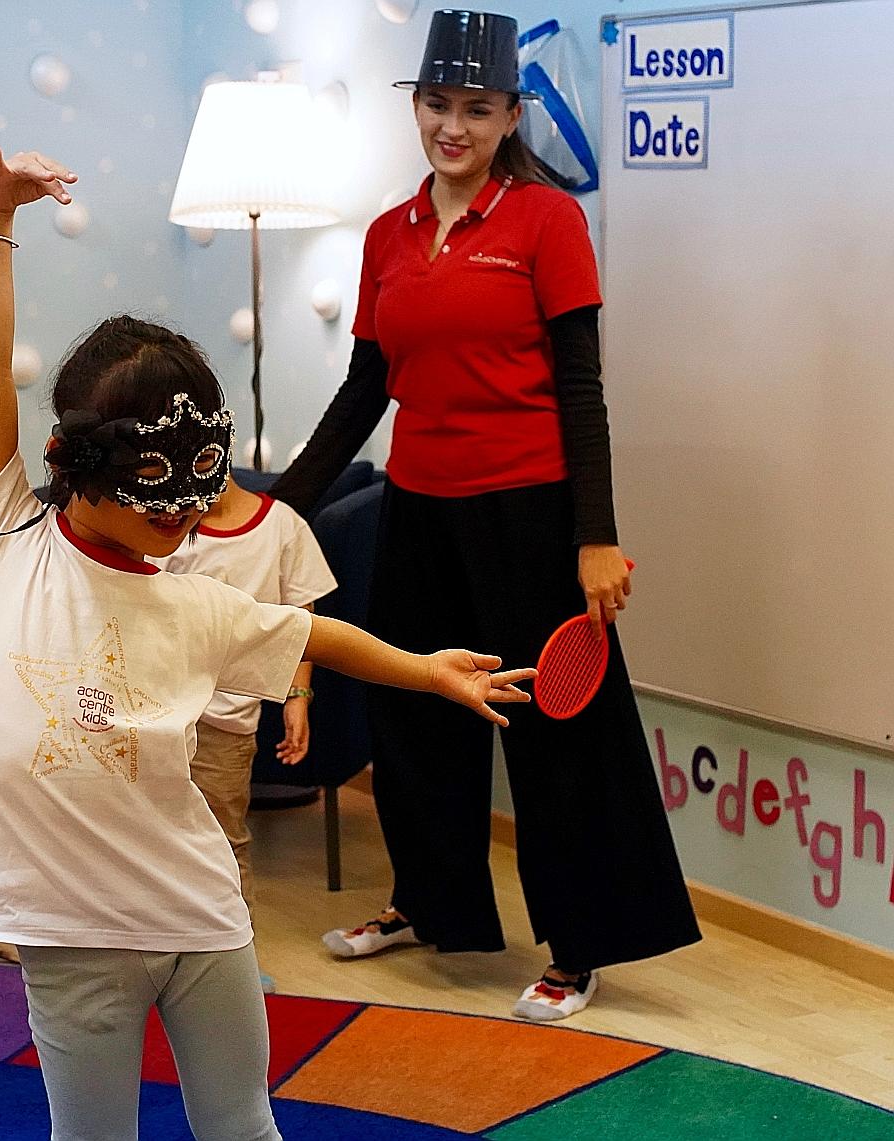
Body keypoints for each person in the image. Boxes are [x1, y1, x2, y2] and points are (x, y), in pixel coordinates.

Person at [0, 145, 534, 1141]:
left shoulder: (199, 600)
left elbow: (315, 632)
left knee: (241, 1124)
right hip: (75, 933)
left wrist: (427, 669)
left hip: (200, 912)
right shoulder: (0, 534)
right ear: (72, 468)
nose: (185, 523)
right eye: (159, 505)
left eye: (198, 500)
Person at [274, 10, 701, 1021]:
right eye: (436, 104)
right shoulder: (388, 234)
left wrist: (595, 534)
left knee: (558, 737)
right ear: (414, 107)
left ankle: (581, 945)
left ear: (512, 114)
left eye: (475, 108)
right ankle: (430, 903)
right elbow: (364, 390)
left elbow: (583, 387)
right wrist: (278, 510)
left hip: (533, 516)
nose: (451, 126)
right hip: (420, 508)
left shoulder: (549, 223)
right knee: (415, 715)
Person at [150, 472, 336, 992]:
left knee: (224, 840)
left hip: (226, 723)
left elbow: (303, 622)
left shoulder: (282, 527)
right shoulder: (164, 525)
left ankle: (232, 962)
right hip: (157, 714)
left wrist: (298, 697)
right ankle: (155, 955)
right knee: (151, 839)